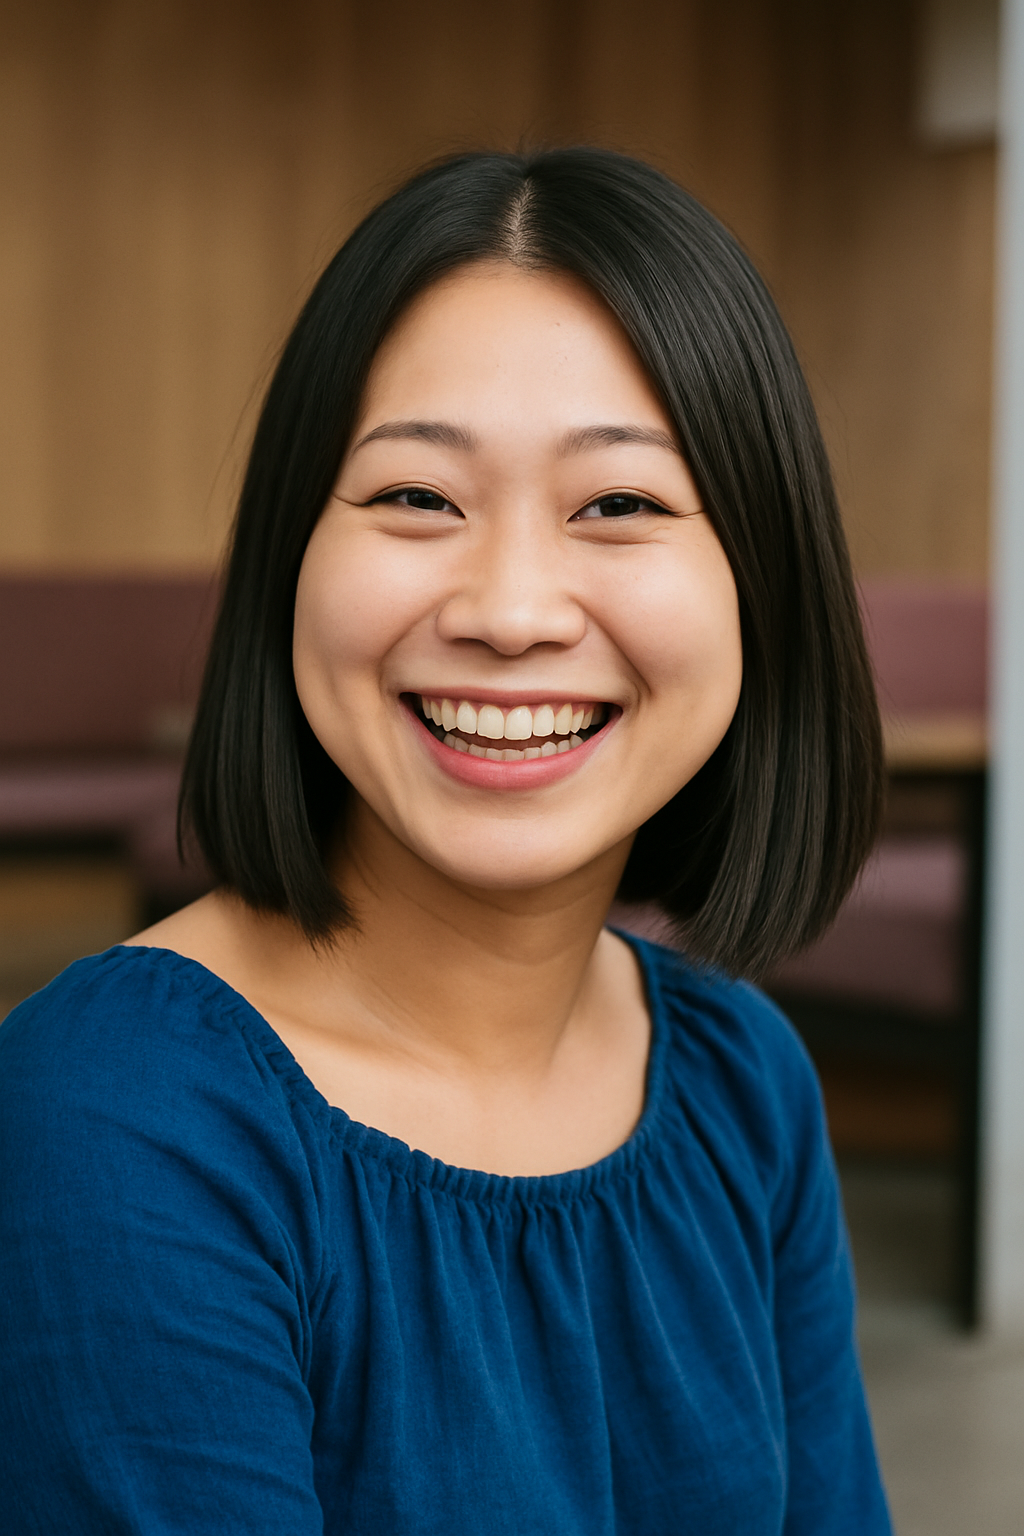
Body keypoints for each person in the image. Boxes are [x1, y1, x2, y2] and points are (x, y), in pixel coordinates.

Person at [0, 148, 891, 1534]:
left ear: (760, 584)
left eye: (622, 505)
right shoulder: (118, 1123)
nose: (513, 608)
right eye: (417, 497)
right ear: (293, 551)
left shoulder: (742, 1081)